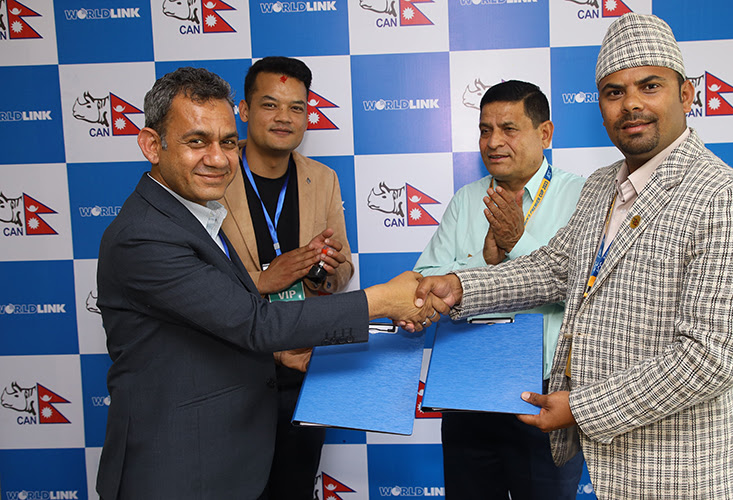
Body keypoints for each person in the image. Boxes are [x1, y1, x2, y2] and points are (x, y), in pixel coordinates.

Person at [414, 13, 733, 499]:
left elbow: (710, 359)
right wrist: (461, 287)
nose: (631, 104)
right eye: (614, 92)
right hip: (613, 469)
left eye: (649, 86)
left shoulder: (725, 197)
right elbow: (553, 269)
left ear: (687, 94)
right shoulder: (603, 185)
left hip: (686, 473)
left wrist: (581, 408)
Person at [95, 67, 444, 500]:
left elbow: (210, 318)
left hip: (231, 453)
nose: (218, 159)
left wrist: (280, 351)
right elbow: (254, 321)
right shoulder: (145, 235)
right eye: (197, 141)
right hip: (179, 465)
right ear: (152, 145)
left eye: (227, 142)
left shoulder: (195, 213)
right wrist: (383, 300)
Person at [413, 80, 585, 499]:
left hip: (545, 395)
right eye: (485, 130)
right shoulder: (466, 199)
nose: (493, 142)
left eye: (509, 129)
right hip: (469, 386)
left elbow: (585, 286)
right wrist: (482, 263)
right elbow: (426, 279)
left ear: (545, 133)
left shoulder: (583, 196)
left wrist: (517, 245)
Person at [218, 56, 351, 500]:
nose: (284, 118)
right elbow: (193, 278)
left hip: (302, 368)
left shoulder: (323, 178)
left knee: (294, 488)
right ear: (244, 110)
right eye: (270, 104)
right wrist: (262, 279)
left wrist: (324, 272)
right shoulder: (213, 174)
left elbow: (343, 269)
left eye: (297, 107)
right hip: (233, 368)